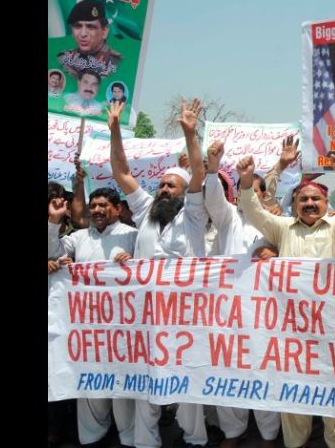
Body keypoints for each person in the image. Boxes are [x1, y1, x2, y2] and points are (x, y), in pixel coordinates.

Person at [237, 150, 335, 448]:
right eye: (303, 200)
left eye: (315, 199)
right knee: (294, 395)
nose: (309, 204)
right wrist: (244, 181)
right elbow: (254, 212)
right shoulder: (283, 228)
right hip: (291, 330)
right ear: (294, 205)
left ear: (326, 203)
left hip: (332, 328)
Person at [108, 98, 210, 448]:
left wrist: (190, 134)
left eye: (171, 185)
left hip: (186, 318)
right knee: (145, 383)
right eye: (162, 185)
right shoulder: (147, 211)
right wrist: (115, 131)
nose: (164, 189)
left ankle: (194, 439)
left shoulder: (194, 215)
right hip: (146, 317)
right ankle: (145, 441)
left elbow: (199, 173)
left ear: (185, 193)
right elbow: (121, 172)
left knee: (188, 386)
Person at [204, 140, 281, 448]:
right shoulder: (229, 219)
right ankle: (233, 433)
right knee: (229, 372)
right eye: (244, 188)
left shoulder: (277, 222)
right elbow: (212, 199)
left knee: (265, 373)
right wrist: (212, 167)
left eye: (256, 190)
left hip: (266, 314)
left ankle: (268, 435)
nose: (250, 194)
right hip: (229, 311)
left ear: (264, 196)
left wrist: (274, 252)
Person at [48, 187, 138, 448]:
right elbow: (54, 253)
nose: (97, 210)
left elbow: (148, 269)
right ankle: (93, 439)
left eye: (103, 205)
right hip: (88, 329)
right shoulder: (78, 238)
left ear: (118, 209)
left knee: (123, 390)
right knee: (91, 387)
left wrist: (134, 262)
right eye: (93, 205)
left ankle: (128, 439)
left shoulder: (132, 236)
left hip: (124, 328)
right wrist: (54, 221)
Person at [57, 0, 122, 78]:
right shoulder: (63, 58)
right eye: (77, 26)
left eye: (90, 27)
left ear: (104, 31)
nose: (83, 34)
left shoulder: (116, 62)